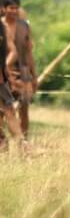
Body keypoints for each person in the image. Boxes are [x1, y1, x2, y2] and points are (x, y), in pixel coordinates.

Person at [1, 0, 37, 137]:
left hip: (23, 72)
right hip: (3, 74)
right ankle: (3, 144)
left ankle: (24, 144)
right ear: (4, 8)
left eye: (16, 8)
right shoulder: (0, 25)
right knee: (4, 110)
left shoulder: (25, 26)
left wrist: (34, 76)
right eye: (11, 8)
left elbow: (29, 53)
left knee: (24, 108)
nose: (14, 11)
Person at [0, 15, 27, 153]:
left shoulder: (2, 27)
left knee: (9, 110)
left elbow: (12, 51)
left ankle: (23, 145)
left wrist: (8, 75)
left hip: (1, 78)